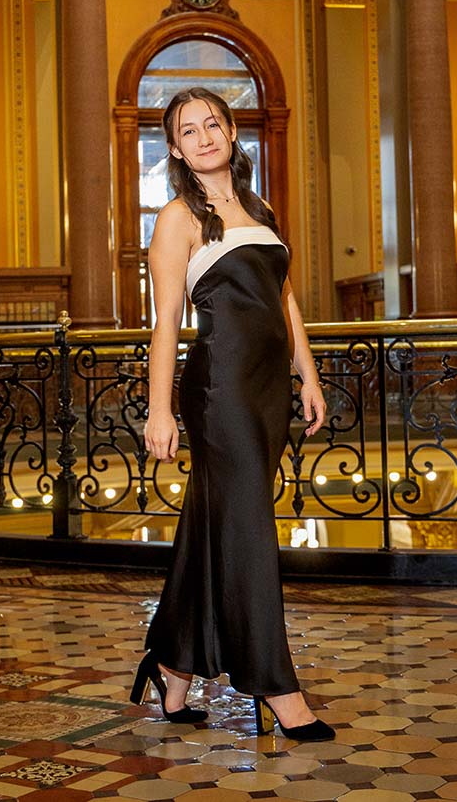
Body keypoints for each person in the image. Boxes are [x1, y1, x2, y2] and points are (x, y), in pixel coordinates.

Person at [130, 86, 335, 743]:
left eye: (212, 122)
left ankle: (171, 666)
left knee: (212, 524)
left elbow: (285, 299)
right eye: (188, 130)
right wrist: (158, 409)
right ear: (177, 150)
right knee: (247, 526)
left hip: (268, 386)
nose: (204, 135)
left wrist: (307, 370)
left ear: (229, 131)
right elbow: (165, 324)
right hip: (218, 390)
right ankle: (276, 683)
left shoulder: (259, 207)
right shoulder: (176, 219)